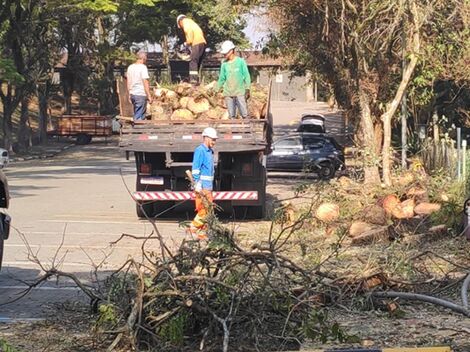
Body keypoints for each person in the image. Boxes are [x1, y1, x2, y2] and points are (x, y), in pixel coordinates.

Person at [188, 127, 218, 240]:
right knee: (204, 210)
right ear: (206, 138)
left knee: (209, 210)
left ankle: (203, 233)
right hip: (202, 186)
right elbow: (196, 168)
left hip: (208, 186)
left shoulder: (210, 151)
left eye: (215, 140)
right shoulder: (200, 150)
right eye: (213, 140)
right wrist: (197, 183)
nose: (214, 142)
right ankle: (193, 227)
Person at [217, 40, 251, 119]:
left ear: (231, 51)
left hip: (240, 91)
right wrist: (216, 89)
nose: (224, 54)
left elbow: (246, 75)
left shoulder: (241, 62)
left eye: (226, 53)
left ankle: (247, 130)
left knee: (244, 114)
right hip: (228, 93)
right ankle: (234, 130)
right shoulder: (224, 64)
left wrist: (248, 88)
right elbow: (221, 78)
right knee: (231, 115)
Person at [177, 14, 207, 84]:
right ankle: (196, 79)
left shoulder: (185, 22)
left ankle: (193, 81)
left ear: (180, 21)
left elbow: (189, 33)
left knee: (192, 61)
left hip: (196, 43)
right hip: (202, 42)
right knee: (197, 62)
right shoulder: (192, 22)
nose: (181, 27)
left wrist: (187, 43)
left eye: (180, 25)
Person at [126, 50, 153, 120]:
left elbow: (128, 82)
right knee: (139, 117)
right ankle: (136, 130)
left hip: (133, 94)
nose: (146, 60)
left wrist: (129, 94)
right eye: (146, 58)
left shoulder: (130, 67)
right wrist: (149, 95)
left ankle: (137, 129)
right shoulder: (143, 67)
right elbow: (145, 82)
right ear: (143, 58)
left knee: (137, 112)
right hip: (140, 94)